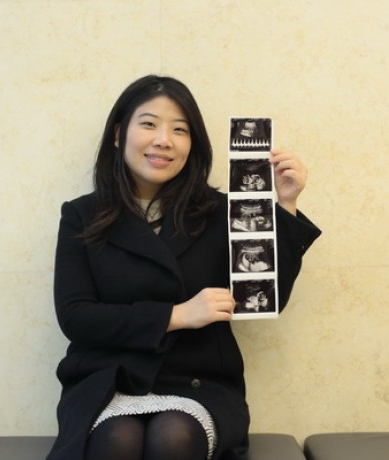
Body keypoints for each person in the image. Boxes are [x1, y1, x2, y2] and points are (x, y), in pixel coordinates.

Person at [46, 75, 321, 460]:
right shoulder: (82, 215)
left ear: (193, 145)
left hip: (200, 382)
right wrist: (176, 315)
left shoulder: (221, 211)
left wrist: (285, 204)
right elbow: (76, 317)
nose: (164, 140)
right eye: (149, 124)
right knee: (118, 438)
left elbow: (261, 296)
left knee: (173, 436)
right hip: (109, 379)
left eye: (180, 129)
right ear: (119, 134)